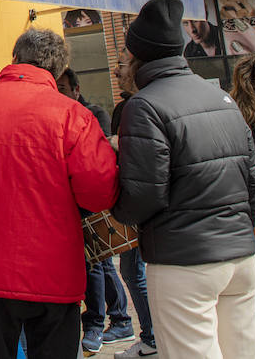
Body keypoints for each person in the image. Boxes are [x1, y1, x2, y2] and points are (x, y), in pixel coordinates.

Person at [0, 29, 118, 358]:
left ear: (15, 58)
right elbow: (98, 193)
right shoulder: (74, 116)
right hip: (54, 270)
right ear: (58, 69)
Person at [113, 0, 255, 359]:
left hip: (184, 260)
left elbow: (142, 197)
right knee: (245, 352)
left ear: (137, 57)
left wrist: (118, 209)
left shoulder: (144, 105)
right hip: (240, 256)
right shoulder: (221, 99)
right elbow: (253, 182)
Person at [57, 68, 133, 354]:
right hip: (74, 204)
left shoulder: (93, 114)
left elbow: (99, 155)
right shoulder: (59, 117)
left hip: (95, 205)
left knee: (97, 264)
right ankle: (121, 318)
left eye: (63, 88)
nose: (58, 93)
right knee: (100, 263)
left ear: (76, 89)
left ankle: (96, 324)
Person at [110, 49, 157, 359]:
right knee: (132, 271)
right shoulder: (123, 108)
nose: (117, 73)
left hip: (153, 212)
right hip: (133, 208)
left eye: (121, 66)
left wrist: (120, 143)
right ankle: (152, 335)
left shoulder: (148, 106)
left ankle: (154, 337)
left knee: (142, 274)